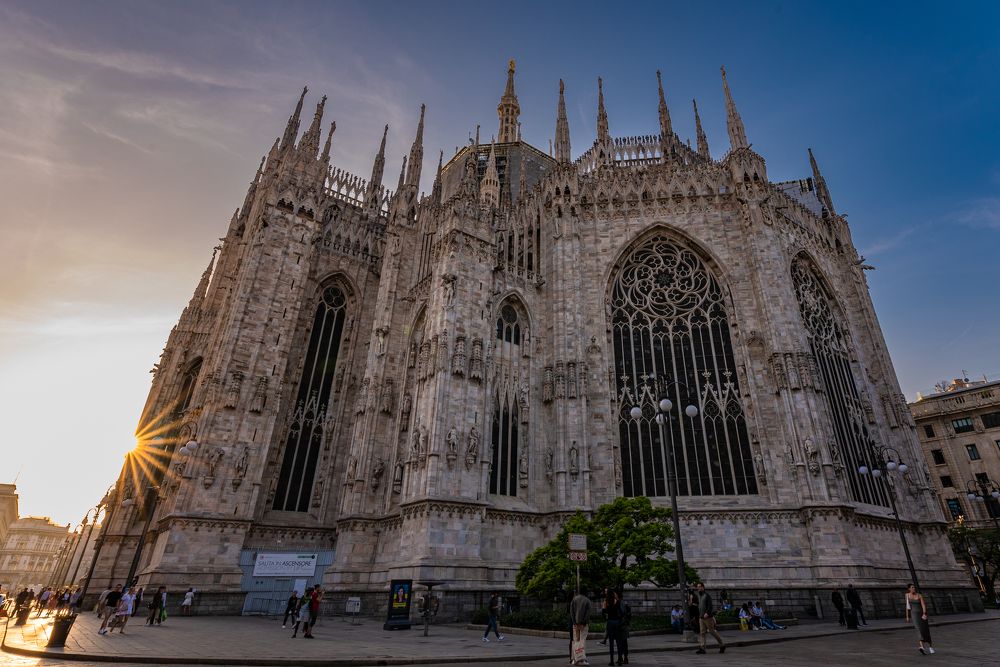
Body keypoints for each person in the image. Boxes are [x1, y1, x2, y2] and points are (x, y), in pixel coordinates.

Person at [694, 582, 726, 654]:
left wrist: (707, 613)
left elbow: (710, 606)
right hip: (701, 617)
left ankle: (722, 645)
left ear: (703, 587)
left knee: (712, 631)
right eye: (697, 587)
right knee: (702, 633)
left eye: (699, 586)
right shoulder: (699, 596)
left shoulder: (706, 595)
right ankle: (702, 648)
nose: (698, 588)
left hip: (708, 617)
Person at [905, 584, 935, 655]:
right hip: (914, 614)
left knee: (925, 630)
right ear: (909, 589)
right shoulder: (907, 595)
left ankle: (930, 647)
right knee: (918, 629)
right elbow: (907, 606)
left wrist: (924, 613)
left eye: (914, 587)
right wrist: (907, 616)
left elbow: (923, 605)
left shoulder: (919, 595)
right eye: (912, 587)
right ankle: (922, 647)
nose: (914, 588)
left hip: (921, 614)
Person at [569, 590, 592, 666]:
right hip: (583, 624)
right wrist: (584, 623)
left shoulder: (574, 599)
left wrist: (574, 622)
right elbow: (588, 614)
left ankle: (574, 659)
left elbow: (571, 612)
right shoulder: (587, 601)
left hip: (575, 624)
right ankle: (582, 659)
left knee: (575, 641)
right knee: (582, 641)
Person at [603, 590, 625, 666]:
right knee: (619, 642)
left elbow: (603, 613)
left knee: (611, 643)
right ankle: (619, 660)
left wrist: (607, 618)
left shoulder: (606, 602)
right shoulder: (617, 601)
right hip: (617, 622)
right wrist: (619, 619)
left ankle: (612, 661)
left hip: (610, 622)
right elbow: (622, 613)